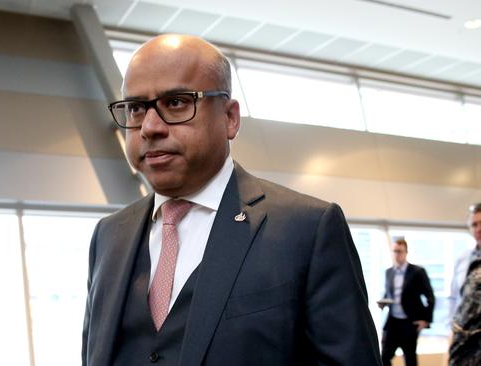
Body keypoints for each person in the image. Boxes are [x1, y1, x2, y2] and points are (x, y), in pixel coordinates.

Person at [81, 34, 381, 366]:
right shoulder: (109, 236)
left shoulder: (307, 230)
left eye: (177, 102)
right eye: (136, 108)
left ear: (230, 117)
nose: (150, 127)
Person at [378, 238, 435, 366]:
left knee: (410, 359)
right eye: (394, 251)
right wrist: (383, 302)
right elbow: (389, 294)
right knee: (383, 357)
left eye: (399, 251)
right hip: (393, 322)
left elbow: (430, 297)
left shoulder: (417, 272)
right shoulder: (389, 272)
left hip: (409, 322)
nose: (397, 254)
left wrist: (426, 320)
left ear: (406, 252)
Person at [449, 203, 481, 365]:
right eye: (474, 224)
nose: (478, 228)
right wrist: (452, 330)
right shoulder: (463, 260)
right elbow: (455, 297)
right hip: (464, 336)